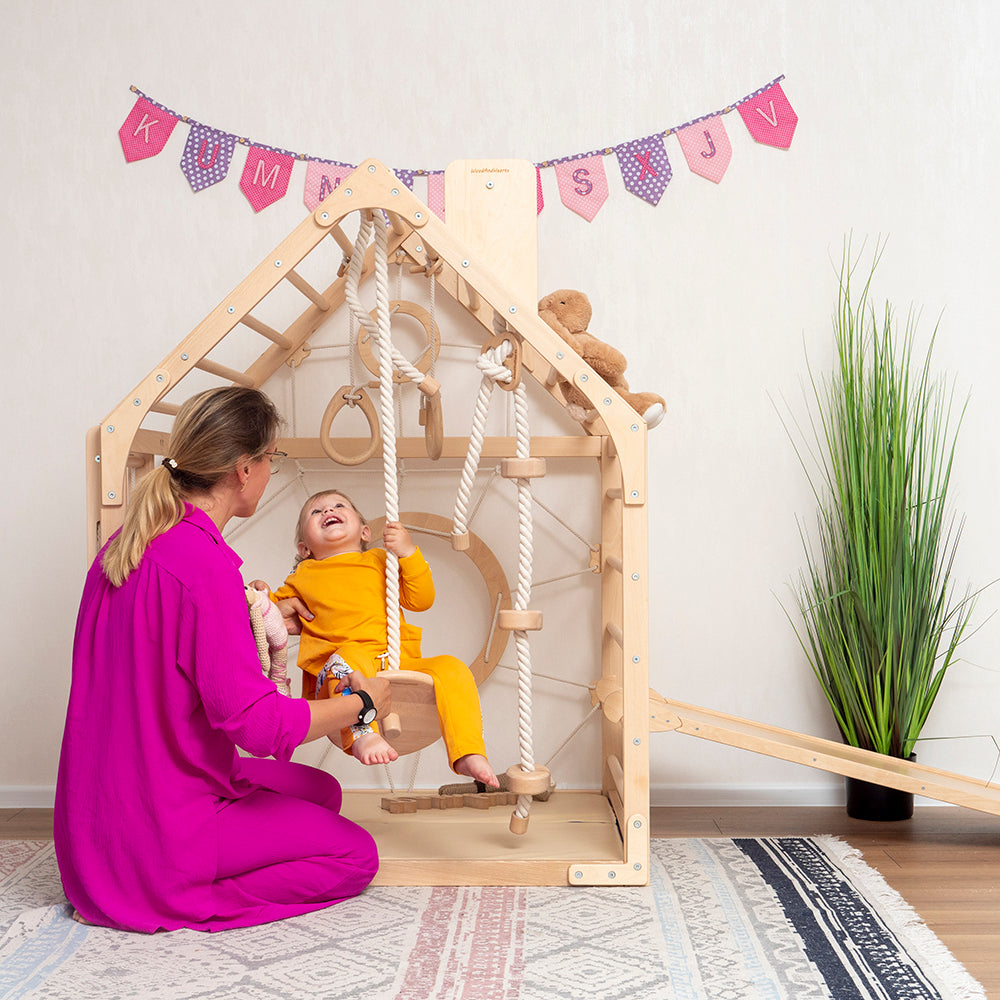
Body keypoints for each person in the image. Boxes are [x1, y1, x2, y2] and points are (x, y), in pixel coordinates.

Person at [54, 387, 390, 933]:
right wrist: (364, 703)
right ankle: (175, 890)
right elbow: (258, 727)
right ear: (243, 469)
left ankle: (160, 870)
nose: (270, 472)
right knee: (354, 855)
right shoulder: (203, 567)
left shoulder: (127, 544)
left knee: (323, 793)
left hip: (101, 820)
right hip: (162, 827)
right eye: (270, 460)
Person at [267, 490, 498, 788]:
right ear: (305, 548)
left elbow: (421, 600)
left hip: (398, 659)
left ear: (365, 532)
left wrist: (408, 552)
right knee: (348, 658)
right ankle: (362, 735)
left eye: (339, 506)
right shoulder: (302, 575)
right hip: (341, 667)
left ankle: (467, 751)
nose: (328, 511)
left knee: (453, 668)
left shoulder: (380, 560)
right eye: (316, 511)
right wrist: (259, 597)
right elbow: (269, 617)